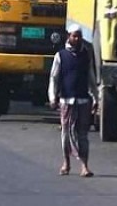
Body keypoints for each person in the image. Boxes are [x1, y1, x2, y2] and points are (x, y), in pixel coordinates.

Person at [48, 24, 98, 178]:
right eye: (74, 36)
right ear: (68, 36)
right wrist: (52, 97)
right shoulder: (60, 56)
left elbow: (91, 78)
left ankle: (84, 166)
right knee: (66, 134)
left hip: (83, 101)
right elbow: (54, 78)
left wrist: (96, 98)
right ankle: (66, 163)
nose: (76, 39)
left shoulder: (86, 55)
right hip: (66, 101)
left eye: (79, 36)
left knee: (82, 135)